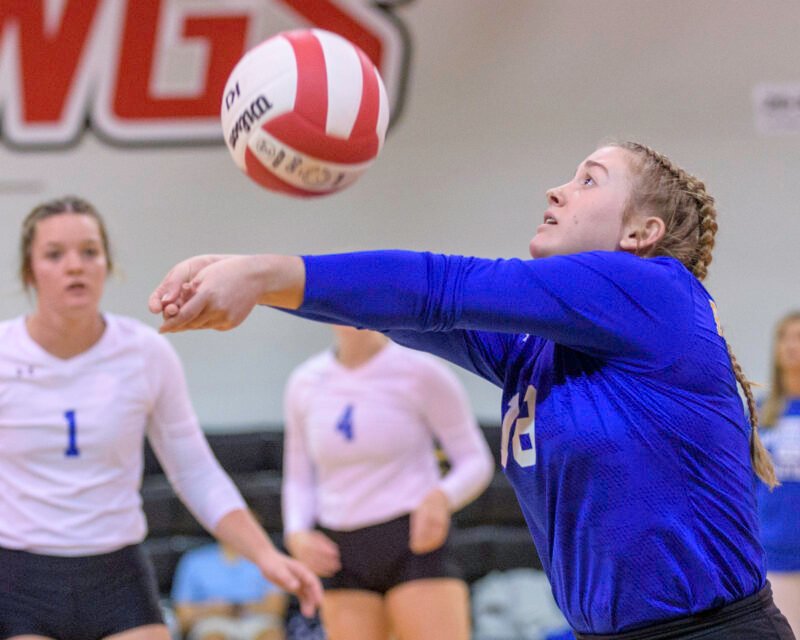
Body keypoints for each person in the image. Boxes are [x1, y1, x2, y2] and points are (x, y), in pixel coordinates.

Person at [149, 141, 796, 639]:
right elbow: (407, 308)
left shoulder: (654, 289)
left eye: (588, 179)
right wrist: (238, 275)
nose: (558, 188)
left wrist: (261, 274)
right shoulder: (542, 349)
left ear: (640, 234)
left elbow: (440, 285)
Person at [0, 196, 321, 640]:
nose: (75, 266)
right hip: (21, 576)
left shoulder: (144, 353)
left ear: (107, 264)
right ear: (29, 271)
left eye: (89, 251)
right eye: (55, 254)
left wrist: (266, 555)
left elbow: (195, 472)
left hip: (116, 574)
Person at [282, 325, 494, 640]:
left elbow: (476, 460)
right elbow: (298, 477)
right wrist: (296, 534)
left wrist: (442, 497)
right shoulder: (304, 382)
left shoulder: (421, 371)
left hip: (413, 540)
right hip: (339, 552)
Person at [757, 311, 800, 635]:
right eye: (785, 337)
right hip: (772, 556)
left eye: (799, 338)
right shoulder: (760, 412)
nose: (791, 347)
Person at [171, 541, 288, 640]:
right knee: (212, 636)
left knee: (271, 635)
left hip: (257, 619)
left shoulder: (269, 559)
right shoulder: (194, 560)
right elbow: (183, 618)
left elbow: (276, 610)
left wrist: (239, 608)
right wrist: (213, 609)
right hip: (211, 621)